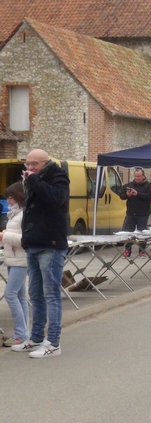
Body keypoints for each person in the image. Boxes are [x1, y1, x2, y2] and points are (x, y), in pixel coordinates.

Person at [12, 149, 69, 358]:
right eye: (27, 164)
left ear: (46, 163)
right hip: (34, 243)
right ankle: (36, 337)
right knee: (35, 294)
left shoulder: (59, 177)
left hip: (51, 244)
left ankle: (53, 342)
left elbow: (56, 199)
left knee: (51, 294)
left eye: (34, 164)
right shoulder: (34, 180)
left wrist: (34, 180)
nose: (30, 168)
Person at [2, 182, 29, 347]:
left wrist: (4, 236)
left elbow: (25, 240)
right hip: (13, 258)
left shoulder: (24, 214)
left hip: (21, 258)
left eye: (11, 197)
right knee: (19, 296)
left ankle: (21, 333)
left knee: (10, 294)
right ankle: (24, 332)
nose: (9, 201)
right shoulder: (15, 213)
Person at [119, 167, 151, 258]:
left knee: (142, 234)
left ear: (143, 176)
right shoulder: (129, 185)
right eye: (135, 176)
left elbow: (150, 196)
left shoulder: (148, 185)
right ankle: (127, 250)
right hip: (131, 213)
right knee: (128, 233)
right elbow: (121, 195)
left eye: (139, 176)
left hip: (143, 213)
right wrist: (127, 194)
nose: (137, 178)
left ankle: (141, 251)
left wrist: (137, 194)